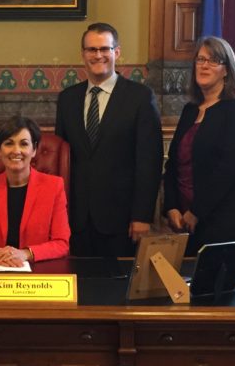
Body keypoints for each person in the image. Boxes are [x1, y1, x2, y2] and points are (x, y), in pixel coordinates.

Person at [55, 22, 162, 257]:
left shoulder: (140, 97)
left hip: (122, 220)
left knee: (116, 290)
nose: (98, 55)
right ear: (83, 54)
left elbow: (149, 162)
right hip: (76, 220)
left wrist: (142, 216)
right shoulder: (67, 99)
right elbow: (60, 162)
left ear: (117, 52)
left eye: (104, 49)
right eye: (91, 50)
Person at [161, 36, 235, 257]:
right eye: (200, 59)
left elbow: (228, 170)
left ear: (226, 70)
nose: (204, 65)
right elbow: (174, 164)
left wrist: (196, 211)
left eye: (213, 61)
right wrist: (172, 207)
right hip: (186, 221)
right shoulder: (190, 110)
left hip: (226, 219)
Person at [0, 115, 70, 266]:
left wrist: (25, 254)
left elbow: (61, 243)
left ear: (34, 150)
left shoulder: (54, 186)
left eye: (24, 144)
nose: (16, 151)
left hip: (38, 276)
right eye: (9, 143)